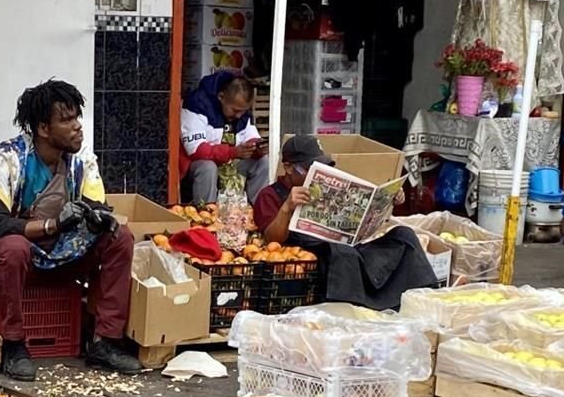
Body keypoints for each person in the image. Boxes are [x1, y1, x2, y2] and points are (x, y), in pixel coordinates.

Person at [0, 79, 141, 381]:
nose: (77, 126)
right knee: (12, 246)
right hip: (18, 259)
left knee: (119, 238)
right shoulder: (9, 160)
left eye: (77, 117)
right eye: (66, 119)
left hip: (63, 254)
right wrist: (53, 224)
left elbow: (96, 204)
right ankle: (14, 344)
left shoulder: (82, 159)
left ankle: (104, 341)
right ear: (43, 129)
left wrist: (97, 218)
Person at [253, 135, 438, 311]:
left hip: (349, 246)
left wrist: (388, 200)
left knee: (404, 236)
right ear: (288, 168)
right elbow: (272, 241)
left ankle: (421, 298)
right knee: (342, 253)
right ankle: (362, 309)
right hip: (315, 256)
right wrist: (287, 208)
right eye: (311, 169)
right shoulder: (269, 195)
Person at [180, 72, 270, 205]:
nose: (239, 116)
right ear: (221, 97)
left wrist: (256, 148)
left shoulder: (241, 112)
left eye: (243, 112)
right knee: (208, 167)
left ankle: (258, 212)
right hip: (196, 165)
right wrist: (232, 152)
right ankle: (207, 213)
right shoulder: (197, 103)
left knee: (263, 162)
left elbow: (250, 136)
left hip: (231, 163)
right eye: (235, 110)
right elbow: (196, 150)